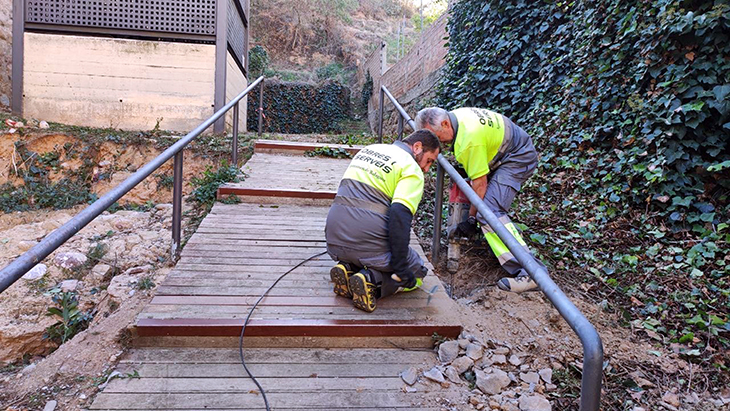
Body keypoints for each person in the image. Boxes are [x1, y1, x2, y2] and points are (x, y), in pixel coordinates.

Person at [415, 106, 545, 293]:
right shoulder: (457, 118)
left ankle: (531, 273)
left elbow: (480, 185)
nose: (434, 142)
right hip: (509, 149)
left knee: (489, 211)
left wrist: (472, 219)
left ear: (444, 124)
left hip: (518, 157)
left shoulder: (468, 140)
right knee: (482, 202)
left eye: (434, 135)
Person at [325, 130, 441, 312]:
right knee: (417, 271)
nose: (426, 169)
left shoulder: (369, 150)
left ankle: (348, 267)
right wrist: (401, 266)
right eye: (429, 161)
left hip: (334, 238)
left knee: (368, 251)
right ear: (417, 147)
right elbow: (399, 219)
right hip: (366, 239)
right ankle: (372, 280)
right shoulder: (410, 168)